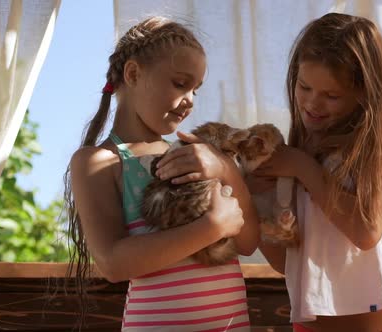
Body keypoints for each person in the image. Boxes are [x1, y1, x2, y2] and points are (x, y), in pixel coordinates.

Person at [65, 16, 259, 331]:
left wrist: (226, 170)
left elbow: (249, 241)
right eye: (180, 84)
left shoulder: (193, 155)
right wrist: (211, 228)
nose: (190, 101)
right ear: (133, 73)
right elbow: (113, 263)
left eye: (196, 89)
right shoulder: (99, 161)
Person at [252, 13, 382, 332]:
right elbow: (285, 263)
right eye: (304, 86)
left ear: (363, 92)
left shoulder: (374, 145)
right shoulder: (299, 149)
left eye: (331, 95)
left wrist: (304, 169)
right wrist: (255, 197)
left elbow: (366, 233)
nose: (312, 103)